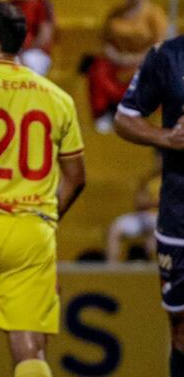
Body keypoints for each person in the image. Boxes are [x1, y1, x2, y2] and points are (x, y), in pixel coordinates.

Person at [0, 0, 86, 377]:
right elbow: (76, 176)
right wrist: (45, 217)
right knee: (29, 347)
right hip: (32, 230)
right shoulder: (58, 98)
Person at [114, 35, 184, 376]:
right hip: (179, 215)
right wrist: (166, 137)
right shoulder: (168, 56)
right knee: (180, 325)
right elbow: (125, 117)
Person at [87, 0, 168, 133]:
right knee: (97, 69)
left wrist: (135, 59)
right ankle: (104, 113)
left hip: (143, 62)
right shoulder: (116, 14)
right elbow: (104, 41)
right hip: (117, 62)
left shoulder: (155, 14)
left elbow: (159, 45)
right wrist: (116, 56)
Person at [10, 0, 54, 76]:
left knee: (24, 65)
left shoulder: (42, 4)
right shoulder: (11, 4)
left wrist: (23, 51)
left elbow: (44, 36)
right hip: (14, 51)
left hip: (36, 52)